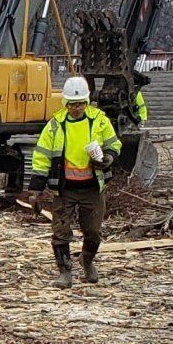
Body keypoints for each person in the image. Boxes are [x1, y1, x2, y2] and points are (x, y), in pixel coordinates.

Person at [23, 75, 120, 285]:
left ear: (87, 102)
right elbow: (41, 158)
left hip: (92, 188)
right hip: (64, 189)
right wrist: (35, 191)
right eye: (72, 104)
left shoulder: (99, 120)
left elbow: (114, 144)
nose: (76, 108)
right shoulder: (55, 125)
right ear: (65, 103)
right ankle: (64, 272)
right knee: (60, 231)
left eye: (80, 104)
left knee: (93, 232)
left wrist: (109, 158)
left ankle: (87, 260)